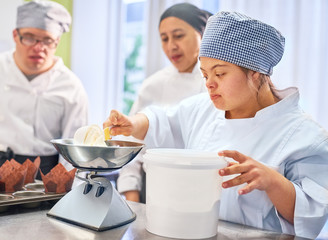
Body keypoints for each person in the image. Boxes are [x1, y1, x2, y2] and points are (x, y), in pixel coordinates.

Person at [104, 11, 328, 239]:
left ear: (255, 73)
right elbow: (163, 121)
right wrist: (132, 124)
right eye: (204, 75)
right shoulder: (203, 110)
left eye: (220, 73)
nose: (210, 84)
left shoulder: (305, 136)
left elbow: (312, 216)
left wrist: (273, 182)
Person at [0, 0, 89, 178]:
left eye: (47, 40)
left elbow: (74, 153)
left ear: (57, 41)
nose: (38, 47)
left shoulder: (71, 87)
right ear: (15, 35)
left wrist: (66, 192)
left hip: (42, 177)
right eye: (30, 37)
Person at [117, 3, 212, 203]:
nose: (171, 46)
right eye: (164, 38)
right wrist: (131, 195)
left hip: (201, 188)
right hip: (152, 188)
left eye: (178, 36)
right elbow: (132, 148)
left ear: (202, 34)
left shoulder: (215, 85)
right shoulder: (153, 85)